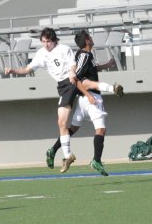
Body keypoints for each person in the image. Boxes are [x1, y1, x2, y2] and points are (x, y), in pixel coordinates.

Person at [44, 31, 124, 172]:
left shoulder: (87, 56)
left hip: (83, 100)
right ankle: (96, 160)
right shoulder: (84, 55)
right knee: (100, 130)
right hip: (90, 98)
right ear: (87, 41)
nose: (92, 39)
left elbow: (89, 69)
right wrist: (88, 95)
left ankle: (53, 149)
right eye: (90, 37)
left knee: (72, 129)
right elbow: (76, 77)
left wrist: (106, 65)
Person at [5, 28, 80, 173]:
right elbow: (27, 69)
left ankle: (67, 155)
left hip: (71, 82)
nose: (46, 44)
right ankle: (67, 155)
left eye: (49, 41)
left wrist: (72, 71)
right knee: (64, 124)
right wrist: (13, 71)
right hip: (62, 87)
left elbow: (73, 63)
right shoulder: (40, 54)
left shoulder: (64, 49)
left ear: (54, 40)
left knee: (62, 122)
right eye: (44, 41)